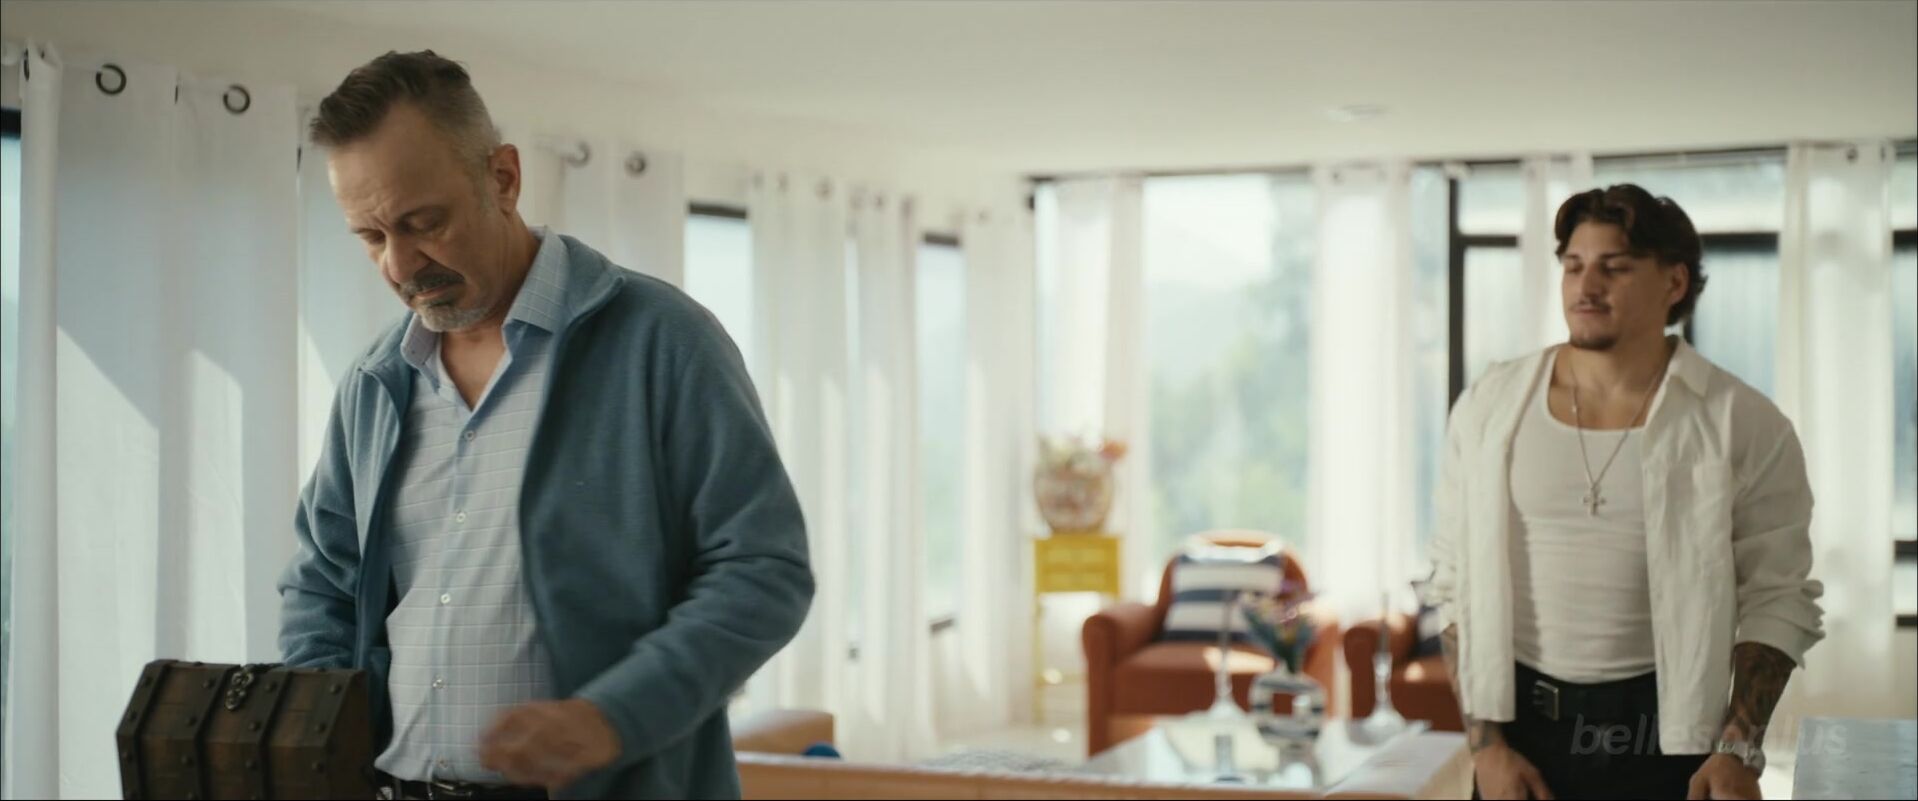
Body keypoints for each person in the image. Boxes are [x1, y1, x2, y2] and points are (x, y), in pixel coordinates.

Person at [278, 50, 813, 801]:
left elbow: (763, 569)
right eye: (370, 236)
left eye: (423, 223)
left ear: (503, 178)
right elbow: (323, 586)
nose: (399, 265)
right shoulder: (373, 384)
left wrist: (613, 717)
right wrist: (318, 745)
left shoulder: (662, 341)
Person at [1426, 184, 1823, 800]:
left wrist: (1739, 750)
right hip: (1521, 737)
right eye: (1573, 265)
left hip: (1668, 739)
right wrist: (1486, 747)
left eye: (1614, 267)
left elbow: (1778, 596)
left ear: (1674, 282)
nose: (1586, 286)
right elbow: (1452, 583)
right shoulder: (1489, 408)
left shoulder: (1740, 420)